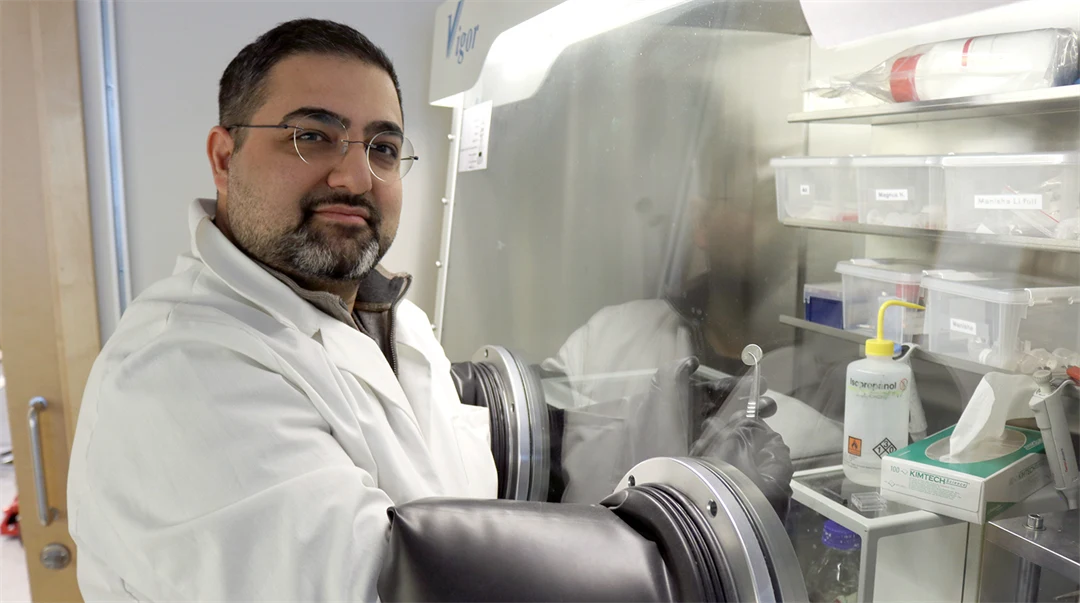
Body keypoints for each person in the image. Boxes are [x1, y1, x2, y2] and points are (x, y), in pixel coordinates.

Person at [67, 19, 497, 601]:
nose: (356, 178)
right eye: (313, 136)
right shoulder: (176, 369)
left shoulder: (400, 320)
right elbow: (383, 588)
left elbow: (461, 507)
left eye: (383, 148)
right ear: (224, 158)